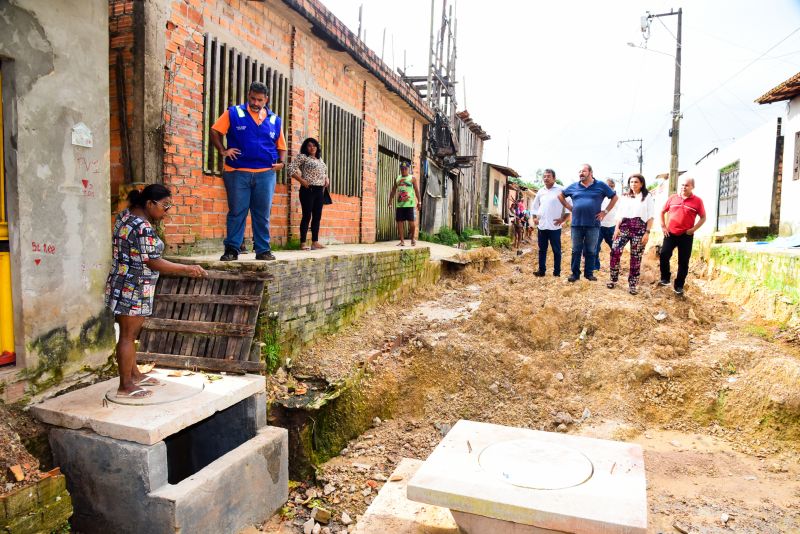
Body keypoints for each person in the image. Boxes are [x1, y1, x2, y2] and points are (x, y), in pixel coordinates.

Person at [105, 185, 207, 398]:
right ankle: (126, 386)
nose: (167, 210)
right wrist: (187, 269)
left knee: (129, 335)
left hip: (122, 282)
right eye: (165, 205)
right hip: (134, 287)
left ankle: (134, 375)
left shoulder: (125, 216)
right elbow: (152, 261)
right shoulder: (142, 227)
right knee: (128, 335)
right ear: (150, 203)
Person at [210, 81, 287, 262]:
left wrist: (281, 162)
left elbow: (281, 146)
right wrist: (223, 150)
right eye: (252, 98)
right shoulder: (234, 113)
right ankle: (231, 249)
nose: (255, 102)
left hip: (266, 174)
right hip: (237, 172)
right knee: (237, 211)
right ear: (248, 95)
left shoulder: (275, 120)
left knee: (262, 213)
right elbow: (215, 131)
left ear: (266, 100)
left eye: (259, 100)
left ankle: (263, 250)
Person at [558, 164, 617, 282]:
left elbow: (614, 197)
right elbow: (560, 195)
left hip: (593, 224)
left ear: (591, 173)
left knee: (591, 250)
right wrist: (569, 207)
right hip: (576, 224)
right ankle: (575, 274)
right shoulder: (574, 186)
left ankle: (589, 273)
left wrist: (604, 212)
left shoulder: (600, 185)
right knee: (576, 250)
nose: (581, 173)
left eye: (584, 171)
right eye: (579, 171)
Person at [607, 174, 655, 295]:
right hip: (624, 226)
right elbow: (619, 215)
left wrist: (647, 233)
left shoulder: (647, 197)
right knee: (615, 250)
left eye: (636, 182)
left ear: (642, 184)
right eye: (631, 182)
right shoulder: (625, 197)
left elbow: (650, 216)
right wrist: (616, 228)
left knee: (636, 257)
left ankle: (632, 285)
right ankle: (613, 279)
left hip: (640, 228)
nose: (633, 184)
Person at [659, 176, 706, 295]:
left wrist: (693, 229)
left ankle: (679, 285)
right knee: (664, 254)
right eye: (682, 185)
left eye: (687, 185)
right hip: (670, 233)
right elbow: (662, 211)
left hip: (686, 235)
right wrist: (663, 226)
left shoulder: (697, 201)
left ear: (692, 187)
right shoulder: (673, 198)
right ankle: (665, 278)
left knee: (683, 261)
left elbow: (703, 217)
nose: (684, 187)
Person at [288, 137, 329, 251]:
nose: (312, 147)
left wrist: (327, 178)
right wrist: (301, 180)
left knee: (317, 216)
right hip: (308, 190)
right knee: (307, 216)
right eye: (310, 146)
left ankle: (315, 242)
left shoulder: (319, 159)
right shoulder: (303, 157)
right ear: (306, 148)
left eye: (314, 145)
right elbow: (290, 169)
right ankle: (303, 243)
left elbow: (323, 171)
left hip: (319, 190)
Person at [531, 169, 569, 277]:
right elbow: (534, 207)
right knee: (542, 250)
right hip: (542, 226)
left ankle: (557, 272)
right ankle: (541, 271)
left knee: (556, 251)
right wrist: (534, 218)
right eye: (544, 176)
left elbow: (569, 206)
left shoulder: (561, 190)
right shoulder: (540, 191)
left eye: (548, 176)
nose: (546, 178)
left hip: (555, 227)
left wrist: (563, 220)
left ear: (554, 178)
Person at [387, 161, 422, 246]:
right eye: (402, 169)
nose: (403, 170)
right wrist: (390, 201)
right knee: (399, 222)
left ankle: (413, 238)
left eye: (405, 169)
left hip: (410, 204)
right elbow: (393, 190)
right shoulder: (397, 178)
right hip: (400, 205)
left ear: (408, 169)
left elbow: (417, 191)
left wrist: (419, 202)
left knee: (412, 224)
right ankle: (402, 241)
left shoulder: (412, 178)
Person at [593, 178, 619, 271]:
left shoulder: (617, 198)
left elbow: (620, 213)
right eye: (608, 186)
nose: (610, 188)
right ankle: (595, 267)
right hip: (599, 226)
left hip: (612, 226)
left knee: (615, 248)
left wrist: (618, 227)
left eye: (612, 186)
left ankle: (615, 266)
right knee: (595, 248)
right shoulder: (599, 196)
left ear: (614, 186)